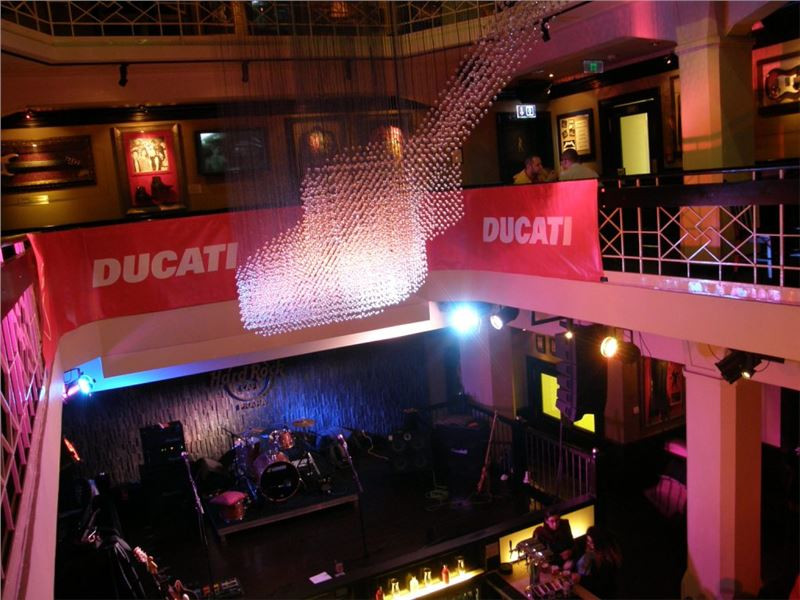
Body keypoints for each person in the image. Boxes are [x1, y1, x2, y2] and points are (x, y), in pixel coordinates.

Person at [574, 525, 622, 598]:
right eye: (588, 541)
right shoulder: (593, 552)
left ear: (599, 543)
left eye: (592, 542)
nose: (589, 545)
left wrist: (581, 579)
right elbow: (583, 569)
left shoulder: (607, 562)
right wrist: (573, 563)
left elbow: (600, 586)